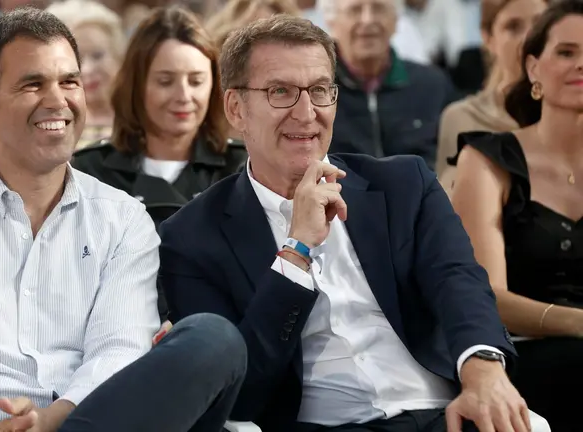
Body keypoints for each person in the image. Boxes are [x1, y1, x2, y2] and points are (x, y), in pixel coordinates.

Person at [0, 8, 246, 432]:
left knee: (213, 340)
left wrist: (48, 421)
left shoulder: (123, 218)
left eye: (69, 82)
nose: (57, 101)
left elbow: (119, 353)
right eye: (33, 84)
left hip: (83, 423)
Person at [160, 14, 529, 432]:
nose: (307, 114)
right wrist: (296, 251)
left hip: (445, 412)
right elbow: (240, 393)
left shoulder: (404, 184)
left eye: (320, 90)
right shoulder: (190, 237)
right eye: (281, 92)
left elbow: (458, 282)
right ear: (235, 108)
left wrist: (484, 369)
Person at [450, 1, 583, 430]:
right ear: (533, 68)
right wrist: (577, 322)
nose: (581, 64)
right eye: (566, 52)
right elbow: (484, 296)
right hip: (525, 354)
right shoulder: (488, 159)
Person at [72, 7, 247, 232]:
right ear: (136, 85)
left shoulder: (242, 168)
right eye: (165, 82)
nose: (183, 96)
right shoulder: (91, 170)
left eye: (196, 81)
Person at [322, 0, 456, 169]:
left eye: (378, 9)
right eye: (355, 10)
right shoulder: (317, 91)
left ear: (396, 20)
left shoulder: (432, 84)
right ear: (331, 21)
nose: (368, 20)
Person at [436, 0, 547, 197]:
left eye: (540, 25)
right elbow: (448, 206)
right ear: (488, 38)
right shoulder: (462, 118)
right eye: (513, 27)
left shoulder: (573, 111)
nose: (529, 38)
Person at [47, 0, 126, 149]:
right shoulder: (48, 126)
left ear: (118, 55)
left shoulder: (142, 118)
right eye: (76, 60)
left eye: (97, 55)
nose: (87, 70)